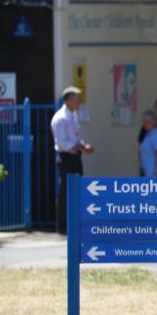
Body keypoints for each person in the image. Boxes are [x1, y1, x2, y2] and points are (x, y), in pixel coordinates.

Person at [50, 86, 94, 234]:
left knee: (77, 189)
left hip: (75, 156)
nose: (79, 103)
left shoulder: (73, 115)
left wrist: (82, 146)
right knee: (66, 191)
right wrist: (79, 147)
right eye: (77, 99)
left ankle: (74, 222)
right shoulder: (61, 118)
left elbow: (74, 137)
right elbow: (62, 142)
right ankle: (62, 225)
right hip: (67, 157)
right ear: (68, 100)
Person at [138, 110, 157, 177]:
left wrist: (156, 172)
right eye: (144, 121)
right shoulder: (148, 135)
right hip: (147, 173)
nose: (145, 124)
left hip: (155, 175)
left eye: (148, 122)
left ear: (155, 122)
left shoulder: (156, 135)